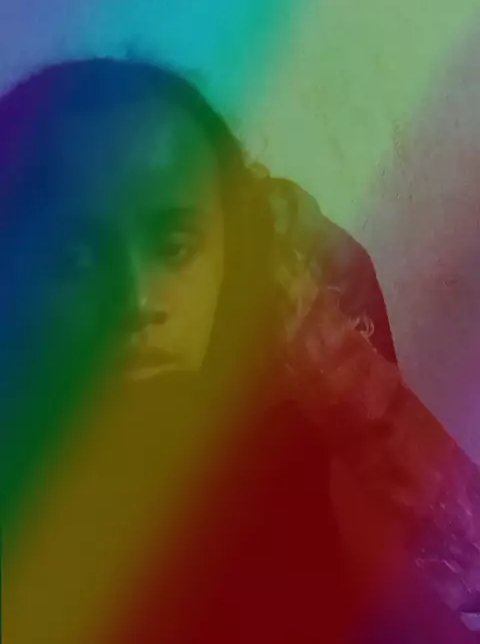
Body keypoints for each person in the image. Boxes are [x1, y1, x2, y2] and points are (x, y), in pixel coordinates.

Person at [3, 58, 479, 644]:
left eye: (174, 247)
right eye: (76, 258)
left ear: (228, 260)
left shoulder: (292, 476)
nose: (136, 299)